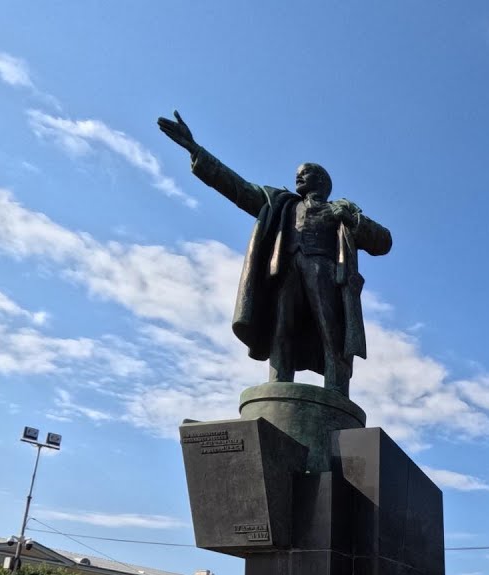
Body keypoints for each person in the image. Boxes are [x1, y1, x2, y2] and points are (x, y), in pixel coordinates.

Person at [157, 111, 392, 398]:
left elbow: (383, 242)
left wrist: (355, 220)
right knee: (281, 327)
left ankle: (336, 391)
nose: (298, 175)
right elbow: (239, 188)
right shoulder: (280, 203)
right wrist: (196, 150)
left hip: (326, 271)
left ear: (320, 180)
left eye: (305, 172)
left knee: (332, 332)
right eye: (297, 172)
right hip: (285, 268)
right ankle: (279, 385)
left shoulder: (340, 209)